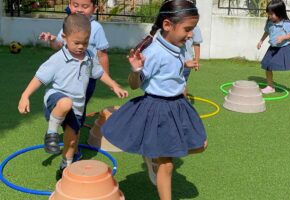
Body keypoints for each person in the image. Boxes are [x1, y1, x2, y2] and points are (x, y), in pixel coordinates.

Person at [102, 1, 208, 199]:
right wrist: (136, 70)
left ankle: (154, 155)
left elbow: (169, 68)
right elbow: (135, 84)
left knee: (201, 144)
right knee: (167, 164)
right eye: (188, 29)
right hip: (159, 108)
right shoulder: (154, 52)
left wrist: (184, 66)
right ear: (167, 25)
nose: (191, 34)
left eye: (192, 29)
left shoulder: (174, 45)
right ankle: (158, 161)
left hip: (178, 105)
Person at [18, 13, 128, 173]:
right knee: (65, 102)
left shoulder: (89, 57)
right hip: (56, 100)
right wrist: (25, 95)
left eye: (85, 43)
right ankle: (51, 134)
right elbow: (39, 78)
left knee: (71, 143)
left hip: (78, 107)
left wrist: (114, 85)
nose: (81, 47)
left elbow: (100, 73)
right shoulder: (58, 59)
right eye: (76, 42)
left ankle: (66, 165)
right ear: (64, 37)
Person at [39, 0, 109, 117]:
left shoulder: (96, 28)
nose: (80, 9)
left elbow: (102, 54)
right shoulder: (69, 24)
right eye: (75, 5)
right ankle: (59, 122)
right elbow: (59, 46)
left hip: (87, 76)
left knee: (80, 105)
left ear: (94, 9)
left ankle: (75, 125)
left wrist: (107, 79)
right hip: (66, 74)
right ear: (70, 6)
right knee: (63, 102)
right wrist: (52, 40)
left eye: (85, 6)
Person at [257, 0, 290, 94]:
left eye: (272, 14)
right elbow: (267, 32)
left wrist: (283, 37)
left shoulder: (286, 23)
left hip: (284, 47)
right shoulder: (270, 23)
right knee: (267, 66)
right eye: (269, 14)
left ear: (279, 12)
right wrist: (261, 41)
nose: (269, 16)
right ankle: (270, 87)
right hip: (273, 48)